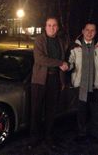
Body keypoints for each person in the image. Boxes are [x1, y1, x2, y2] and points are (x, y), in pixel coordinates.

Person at [68, 21, 98, 143]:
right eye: (87, 30)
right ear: (83, 31)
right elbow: (70, 61)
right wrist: (68, 66)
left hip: (97, 85)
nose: (89, 33)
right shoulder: (75, 46)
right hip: (81, 85)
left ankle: (95, 134)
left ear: (95, 32)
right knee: (81, 112)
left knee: (96, 112)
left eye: (92, 30)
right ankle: (82, 134)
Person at [30, 17, 68, 147]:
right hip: (40, 80)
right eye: (49, 25)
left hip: (55, 79)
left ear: (57, 27)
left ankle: (48, 136)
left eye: (54, 25)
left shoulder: (61, 42)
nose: (52, 28)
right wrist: (60, 63)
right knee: (36, 110)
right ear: (45, 27)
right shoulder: (40, 40)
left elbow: (66, 59)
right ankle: (35, 137)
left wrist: (63, 80)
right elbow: (40, 59)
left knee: (51, 111)